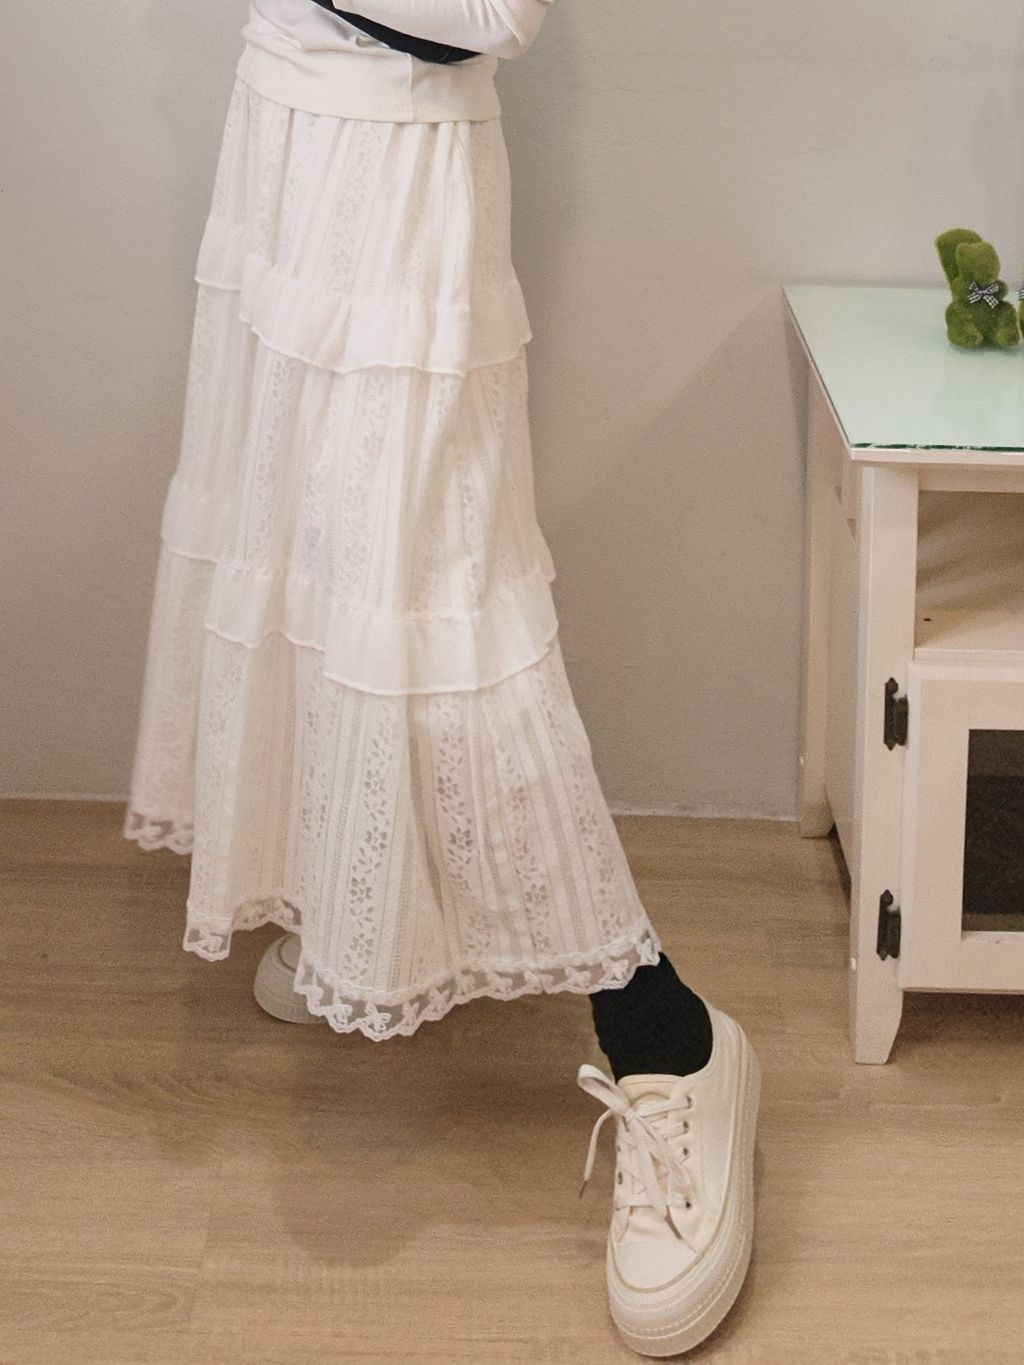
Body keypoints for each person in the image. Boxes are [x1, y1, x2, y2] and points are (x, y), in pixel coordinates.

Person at [122, 1, 762, 1354]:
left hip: (404, 180)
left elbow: (492, 11)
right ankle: (348, 896)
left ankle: (673, 1038)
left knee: (436, 608)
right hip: (280, 138)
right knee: (296, 549)